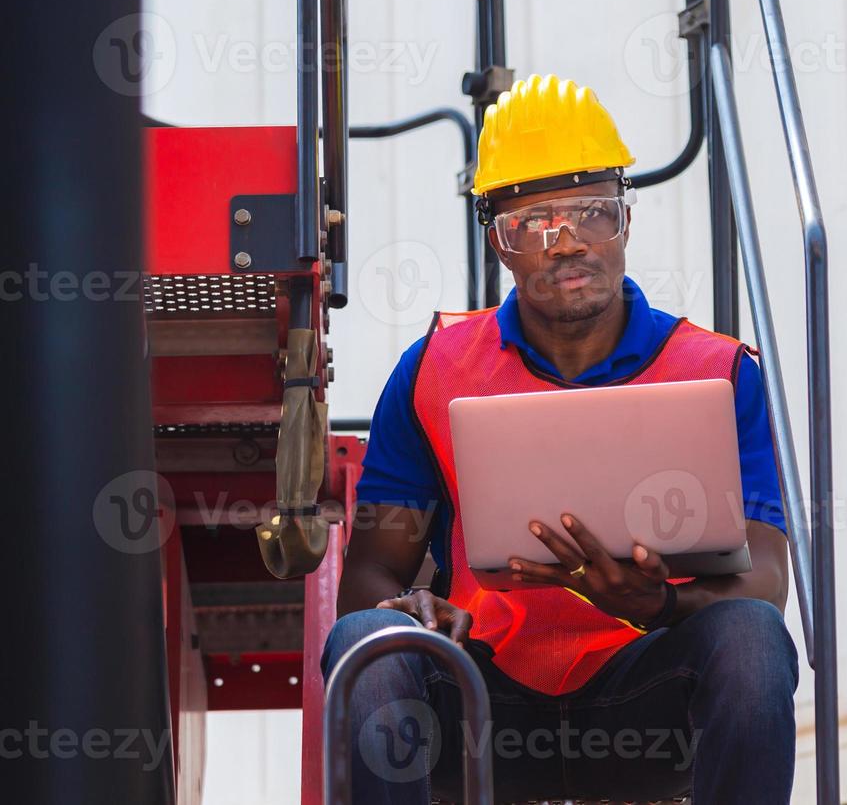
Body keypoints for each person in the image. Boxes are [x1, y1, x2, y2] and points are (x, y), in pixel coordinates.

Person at [322, 74, 798, 804]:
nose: (569, 243)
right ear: (500, 244)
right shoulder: (434, 372)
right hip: (482, 703)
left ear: (627, 223)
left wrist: (660, 607)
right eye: (535, 225)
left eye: (593, 214)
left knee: (752, 643)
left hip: (648, 692)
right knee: (368, 643)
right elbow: (368, 577)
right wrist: (413, 612)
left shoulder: (720, 372)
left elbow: (765, 581)